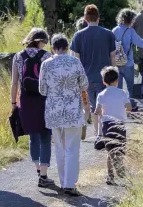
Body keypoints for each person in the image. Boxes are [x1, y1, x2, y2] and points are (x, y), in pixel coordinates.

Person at [39, 34, 89, 196]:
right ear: (67, 47)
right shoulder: (75, 62)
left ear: (52, 47)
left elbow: (42, 90)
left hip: (54, 110)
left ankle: (63, 181)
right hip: (72, 110)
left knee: (59, 148)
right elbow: (84, 84)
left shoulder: (46, 64)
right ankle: (69, 183)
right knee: (72, 148)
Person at [10, 28, 54, 188]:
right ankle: (44, 174)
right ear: (41, 40)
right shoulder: (48, 57)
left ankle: (38, 169)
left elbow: (14, 83)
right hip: (44, 100)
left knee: (33, 137)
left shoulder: (18, 56)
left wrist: (13, 103)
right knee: (46, 136)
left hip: (26, 99)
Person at [70, 5, 116, 136]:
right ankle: (102, 132)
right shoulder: (108, 34)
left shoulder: (78, 35)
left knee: (90, 105)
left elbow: (75, 59)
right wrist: (115, 75)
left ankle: (91, 129)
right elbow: (113, 56)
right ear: (98, 18)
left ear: (85, 18)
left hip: (86, 78)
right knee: (103, 106)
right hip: (105, 77)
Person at [95, 66, 131, 185]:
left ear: (104, 81)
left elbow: (97, 111)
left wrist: (100, 114)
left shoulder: (101, 95)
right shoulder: (122, 93)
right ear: (117, 80)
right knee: (120, 149)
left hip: (107, 125)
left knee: (109, 151)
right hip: (120, 124)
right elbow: (129, 108)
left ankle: (110, 176)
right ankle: (119, 163)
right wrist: (124, 112)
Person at [112, 8, 143, 111]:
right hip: (128, 63)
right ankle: (130, 105)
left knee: (118, 87)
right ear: (131, 20)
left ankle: (118, 106)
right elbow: (140, 43)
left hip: (116, 62)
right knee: (130, 87)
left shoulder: (114, 30)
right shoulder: (130, 31)